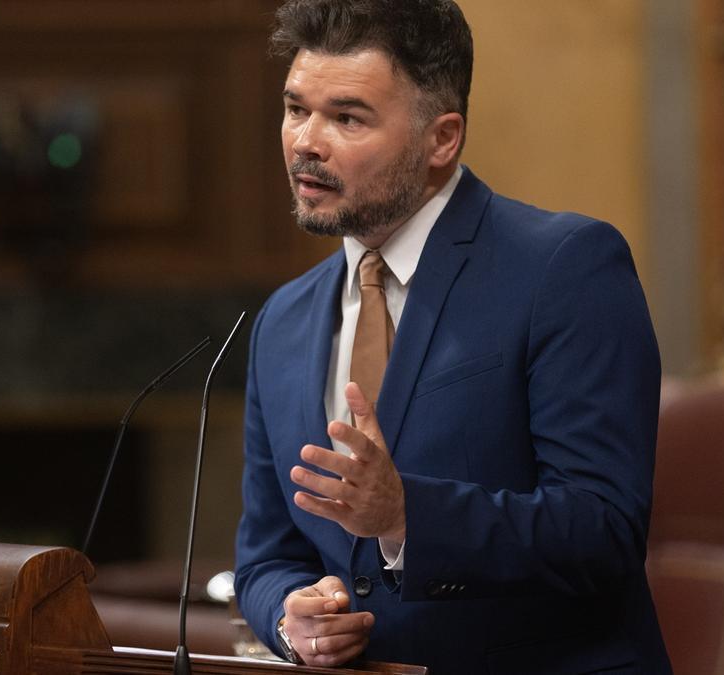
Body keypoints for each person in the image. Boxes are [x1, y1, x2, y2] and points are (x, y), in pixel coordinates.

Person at [233, 1, 672, 673]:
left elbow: (602, 528)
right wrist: (294, 615)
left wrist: (407, 515)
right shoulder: (281, 321)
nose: (305, 142)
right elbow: (267, 555)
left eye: (346, 117)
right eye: (296, 109)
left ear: (442, 139)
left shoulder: (565, 269)